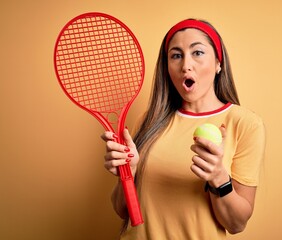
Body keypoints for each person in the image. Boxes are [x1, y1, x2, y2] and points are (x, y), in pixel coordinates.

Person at [101, 18, 266, 240]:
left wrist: (219, 179)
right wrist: (127, 175)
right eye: (176, 55)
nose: (186, 65)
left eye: (197, 53)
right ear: (167, 68)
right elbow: (121, 209)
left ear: (219, 63)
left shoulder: (245, 124)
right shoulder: (148, 122)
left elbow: (236, 224)